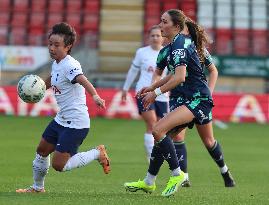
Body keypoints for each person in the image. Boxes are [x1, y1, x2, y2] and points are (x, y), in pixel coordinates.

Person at [124, 9, 235, 197]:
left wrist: (155, 93)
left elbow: (180, 78)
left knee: (159, 130)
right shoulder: (173, 46)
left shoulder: (181, 45)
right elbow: (170, 77)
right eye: (160, 21)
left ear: (176, 26)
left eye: (164, 22)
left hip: (197, 99)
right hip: (185, 99)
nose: (160, 25)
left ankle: (178, 174)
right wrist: (151, 88)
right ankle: (149, 181)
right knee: (162, 135)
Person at [16, 22, 110, 193]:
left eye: (56, 45)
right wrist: (38, 88)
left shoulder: (70, 64)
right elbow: (53, 78)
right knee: (42, 150)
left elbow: (82, 79)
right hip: (61, 119)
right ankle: (37, 188)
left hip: (76, 123)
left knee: (60, 165)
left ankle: (98, 153)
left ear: (68, 46)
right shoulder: (57, 63)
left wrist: (95, 95)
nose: (52, 48)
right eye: (50, 44)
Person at [121, 25, 169, 162]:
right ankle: (150, 156)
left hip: (162, 94)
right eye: (152, 35)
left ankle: (158, 153)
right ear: (148, 37)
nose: (155, 38)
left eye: (158, 35)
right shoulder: (142, 52)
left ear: (163, 37)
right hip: (143, 92)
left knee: (160, 127)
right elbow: (133, 71)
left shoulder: (167, 52)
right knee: (152, 123)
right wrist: (125, 88)